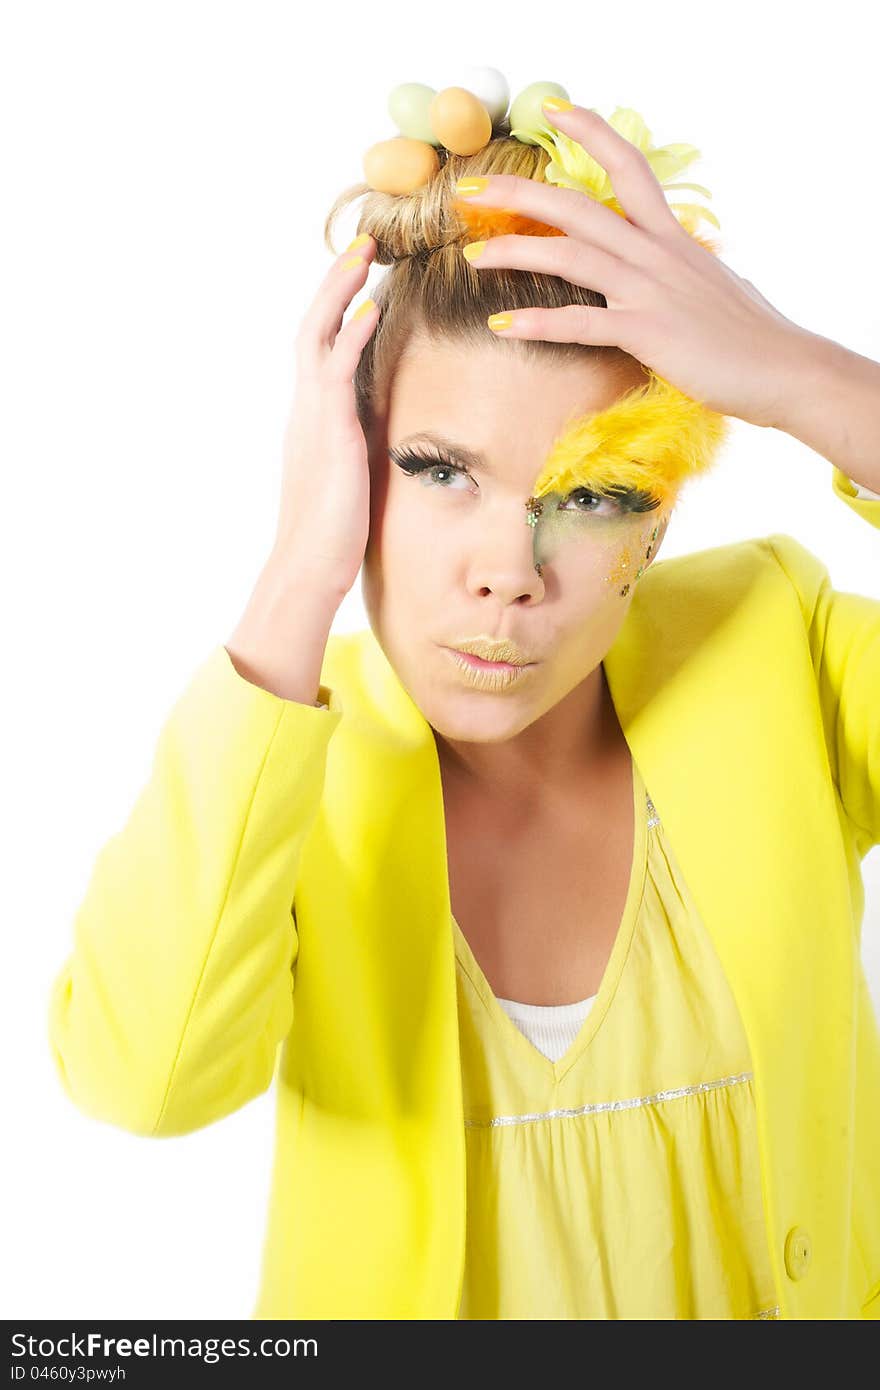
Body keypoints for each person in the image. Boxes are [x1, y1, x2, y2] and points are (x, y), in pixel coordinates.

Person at [47, 87, 880, 1321]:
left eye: (590, 495)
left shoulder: (775, 643)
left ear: (658, 519)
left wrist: (801, 376)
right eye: (440, 472)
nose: (511, 569)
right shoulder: (280, 767)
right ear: (354, 461)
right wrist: (297, 570)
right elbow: (143, 1079)